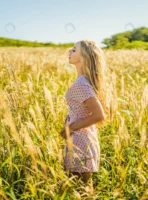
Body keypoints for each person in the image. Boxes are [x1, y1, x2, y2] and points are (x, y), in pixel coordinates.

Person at [60, 40, 107, 187]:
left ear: (84, 57)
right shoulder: (83, 81)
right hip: (79, 140)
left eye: (74, 50)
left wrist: (71, 128)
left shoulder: (81, 83)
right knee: (78, 188)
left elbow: (99, 115)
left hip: (81, 142)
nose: (69, 51)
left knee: (80, 189)